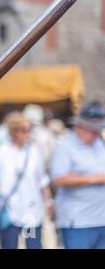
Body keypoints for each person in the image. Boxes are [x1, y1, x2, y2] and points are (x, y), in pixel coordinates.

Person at [0, 112, 53, 249]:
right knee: (9, 246)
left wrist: (49, 203)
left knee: (33, 245)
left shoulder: (34, 151)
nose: (28, 133)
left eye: (29, 130)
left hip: (32, 211)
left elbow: (42, 180)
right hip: (9, 209)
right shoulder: (2, 152)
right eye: (24, 130)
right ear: (14, 131)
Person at [50, 102, 105, 249]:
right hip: (78, 221)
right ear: (80, 126)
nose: (97, 134)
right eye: (93, 130)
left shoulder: (99, 144)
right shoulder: (65, 147)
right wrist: (95, 178)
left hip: (100, 219)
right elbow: (59, 179)